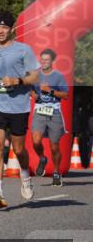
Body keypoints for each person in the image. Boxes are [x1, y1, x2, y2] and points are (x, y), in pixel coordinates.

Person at [0, 12, 39, 208]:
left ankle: (25, 175)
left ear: (12, 29)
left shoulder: (23, 50)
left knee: (19, 149)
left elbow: (34, 77)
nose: (1, 31)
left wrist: (18, 81)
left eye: (4, 27)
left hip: (18, 105)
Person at [30, 48, 69, 186]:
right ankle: (42, 158)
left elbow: (65, 95)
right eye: (42, 59)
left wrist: (50, 91)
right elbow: (29, 88)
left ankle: (57, 172)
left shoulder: (58, 76)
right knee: (35, 141)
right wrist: (32, 94)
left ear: (52, 61)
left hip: (54, 113)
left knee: (54, 147)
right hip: (39, 111)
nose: (44, 62)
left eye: (47, 59)